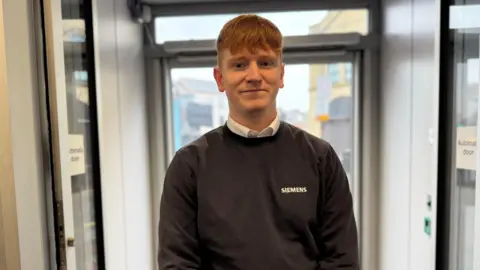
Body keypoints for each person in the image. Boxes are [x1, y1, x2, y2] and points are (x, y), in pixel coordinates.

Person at [157, 14, 359, 270]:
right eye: (239, 65)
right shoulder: (189, 166)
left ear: (281, 74)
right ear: (220, 78)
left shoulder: (320, 158)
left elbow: (342, 260)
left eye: (265, 63)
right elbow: (177, 263)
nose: (254, 75)